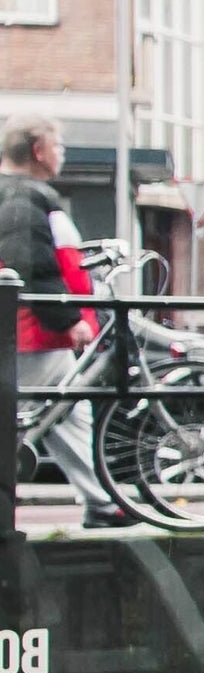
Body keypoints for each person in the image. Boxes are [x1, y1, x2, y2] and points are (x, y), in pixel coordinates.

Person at [0, 117, 124, 525]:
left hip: (29, 332)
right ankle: (101, 503)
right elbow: (31, 262)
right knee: (44, 413)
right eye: (58, 145)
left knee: (67, 413)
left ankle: (100, 502)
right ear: (37, 150)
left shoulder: (24, 195)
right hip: (31, 332)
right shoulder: (23, 197)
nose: (62, 152)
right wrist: (67, 319)